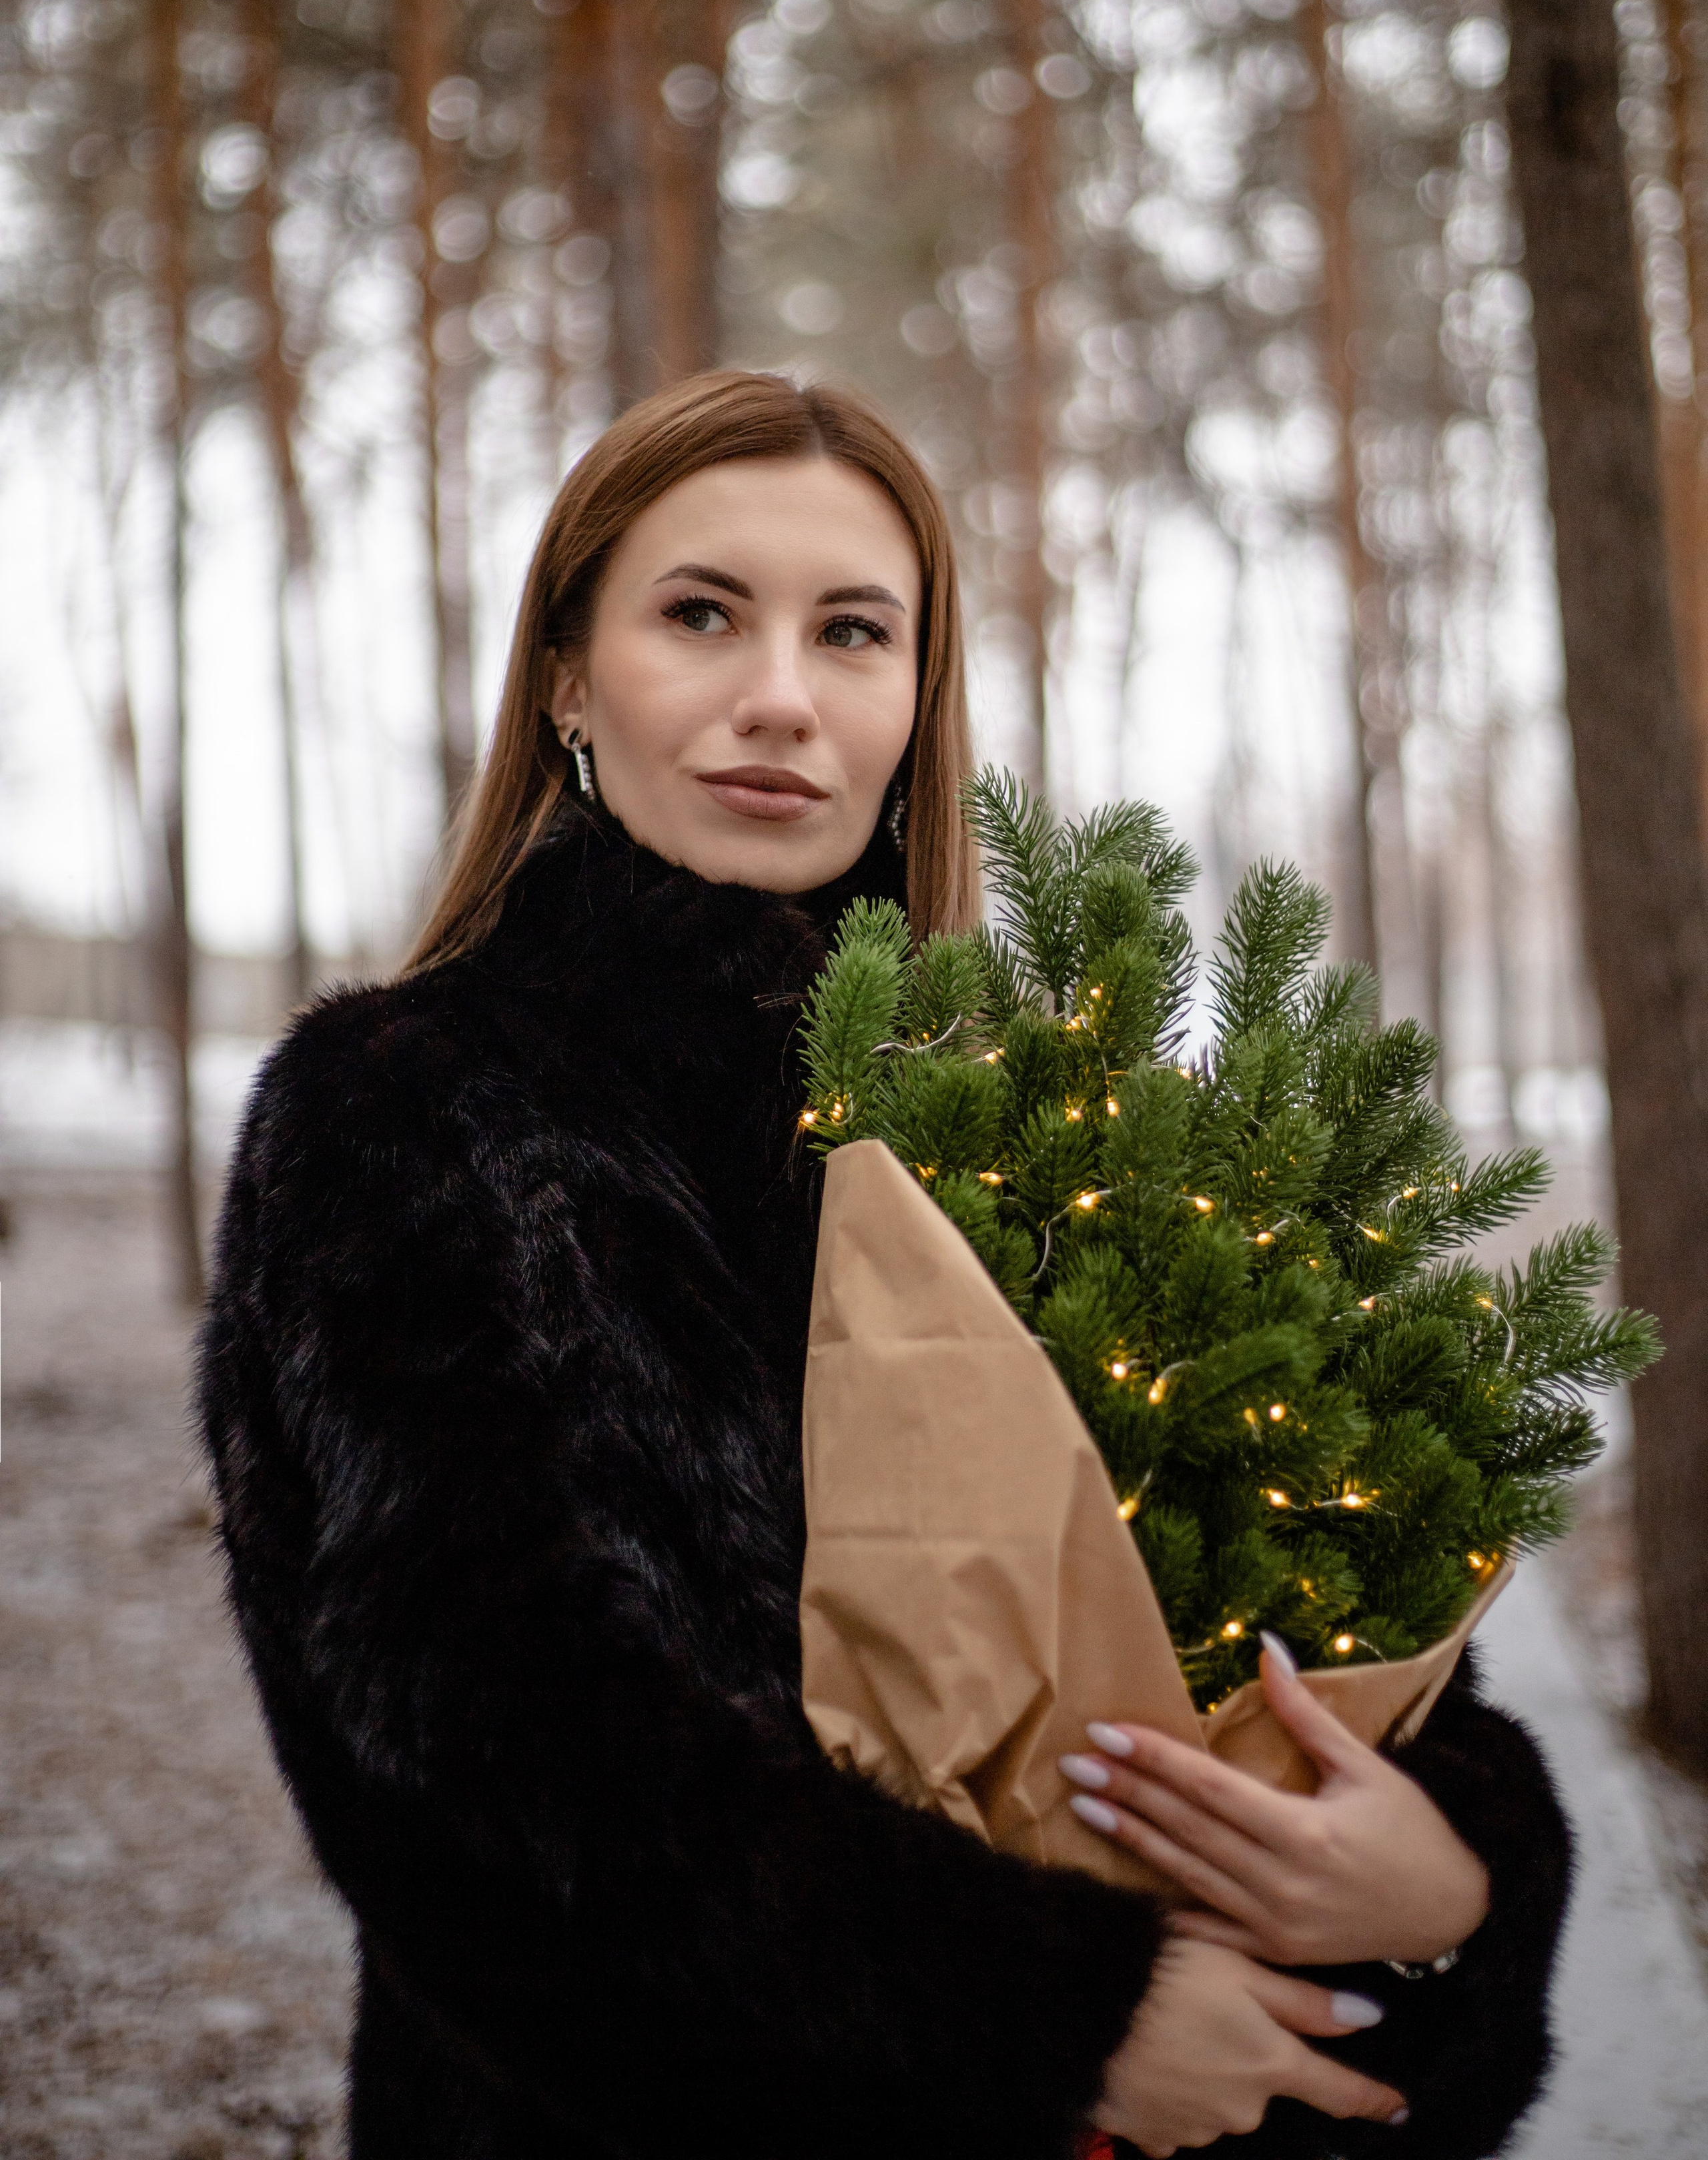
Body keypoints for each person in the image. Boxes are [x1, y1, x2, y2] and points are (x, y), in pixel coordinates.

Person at [200, 370, 1570, 2160]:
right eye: (701, 615)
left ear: (916, 700)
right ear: (564, 677)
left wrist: (1451, 1873)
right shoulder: (406, 1117)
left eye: (855, 633)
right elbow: (485, 1779)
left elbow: (1319, 1632)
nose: (781, 698)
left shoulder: (1043, 1131)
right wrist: (1066, 2022)